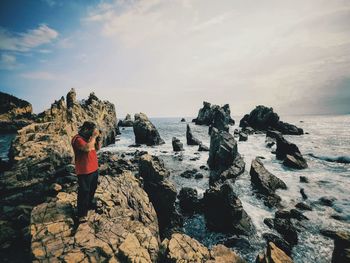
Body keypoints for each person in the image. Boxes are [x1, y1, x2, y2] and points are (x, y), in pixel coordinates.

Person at [71, 121, 102, 223]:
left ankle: (89, 204)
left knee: (92, 188)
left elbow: (97, 148)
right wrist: (93, 137)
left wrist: (98, 139)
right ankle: (81, 214)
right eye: (91, 131)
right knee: (84, 192)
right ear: (85, 129)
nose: (91, 133)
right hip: (84, 170)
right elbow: (87, 148)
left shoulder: (89, 139)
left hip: (93, 168)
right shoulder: (77, 139)